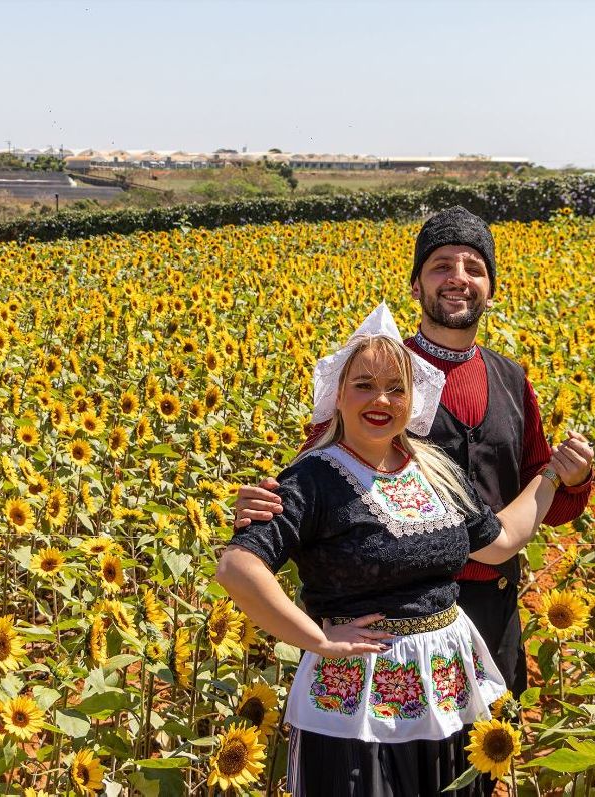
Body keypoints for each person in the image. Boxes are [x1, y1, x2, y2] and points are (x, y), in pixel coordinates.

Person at [234, 206, 595, 697]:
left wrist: (568, 478)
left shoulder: (511, 379)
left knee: (478, 759)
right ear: (416, 287)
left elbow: (539, 496)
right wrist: (262, 510)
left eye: (474, 268)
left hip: (490, 605)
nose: (458, 279)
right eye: (441, 266)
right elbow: (314, 475)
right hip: (384, 618)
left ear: (491, 289)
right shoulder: (377, 373)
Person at [217, 304, 564, 795]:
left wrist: (550, 475)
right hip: (357, 700)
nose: (381, 399)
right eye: (363, 385)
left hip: (445, 687)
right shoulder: (313, 477)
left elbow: (499, 542)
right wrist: (317, 640)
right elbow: (237, 567)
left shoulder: (433, 468)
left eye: (396, 388)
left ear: (413, 400)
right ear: (337, 395)